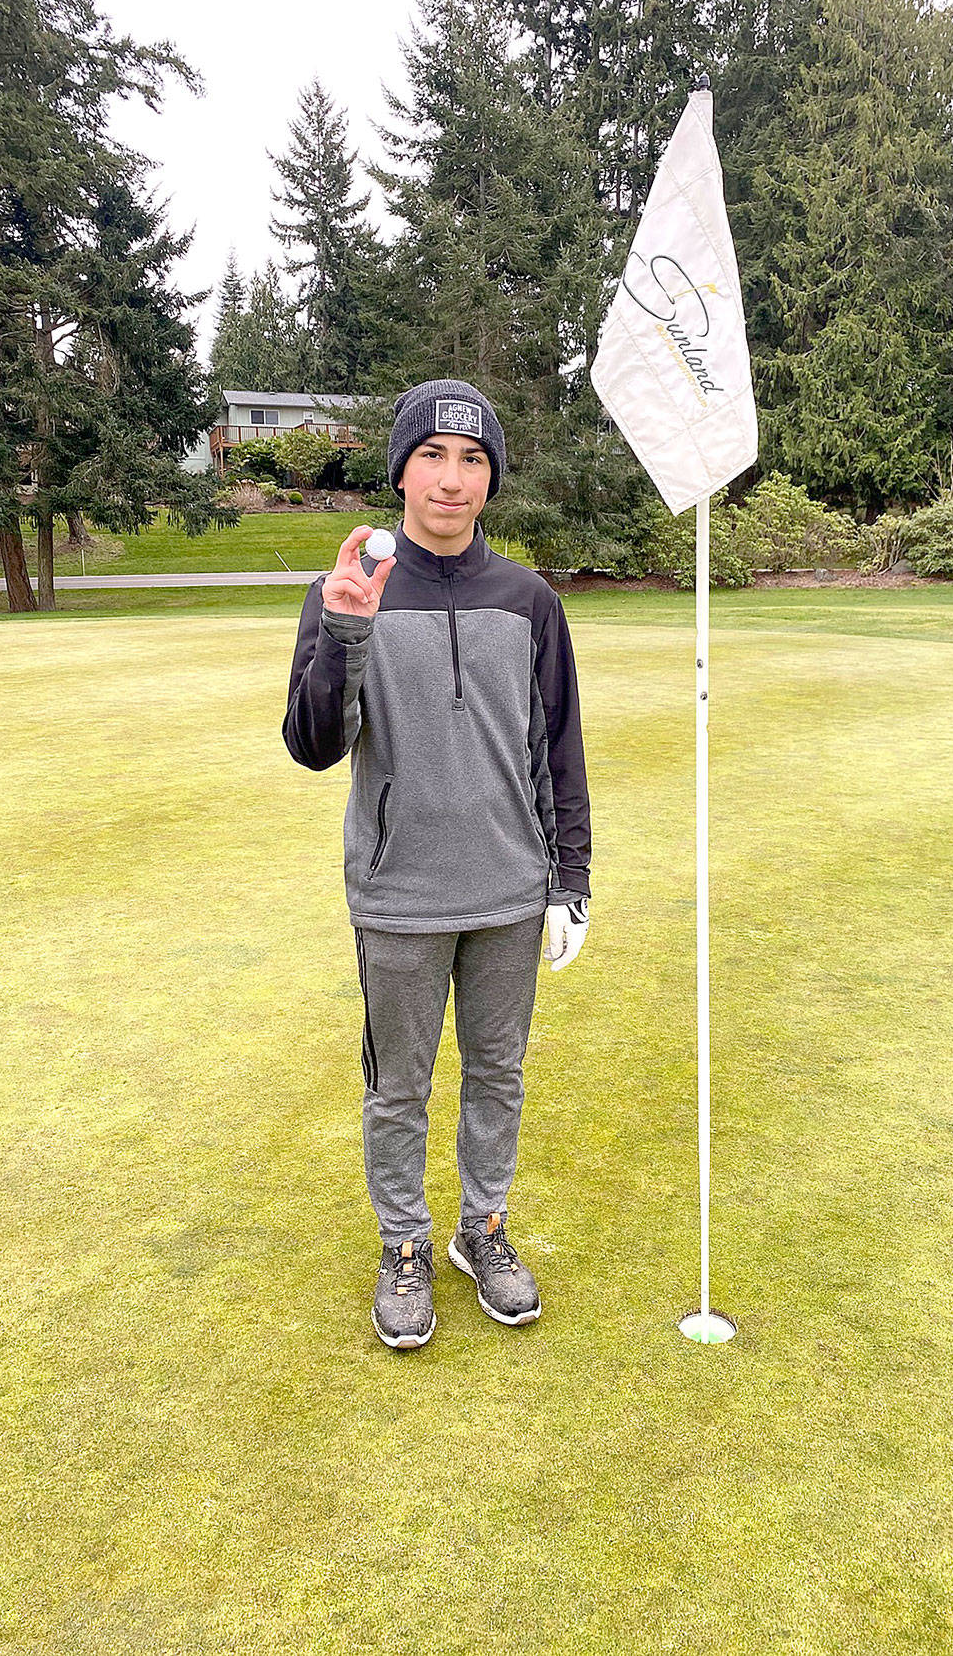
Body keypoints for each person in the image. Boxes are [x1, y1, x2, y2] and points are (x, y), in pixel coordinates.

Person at [282, 379, 592, 1350]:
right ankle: (404, 1247)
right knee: (399, 1087)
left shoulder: (528, 599)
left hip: (507, 891)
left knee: (498, 1075)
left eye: (471, 461)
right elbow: (311, 744)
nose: (450, 480)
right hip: (399, 894)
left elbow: (559, 750)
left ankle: (481, 1230)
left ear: (488, 479)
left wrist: (568, 880)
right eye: (432, 457)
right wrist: (343, 632)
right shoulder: (354, 591)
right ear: (402, 470)